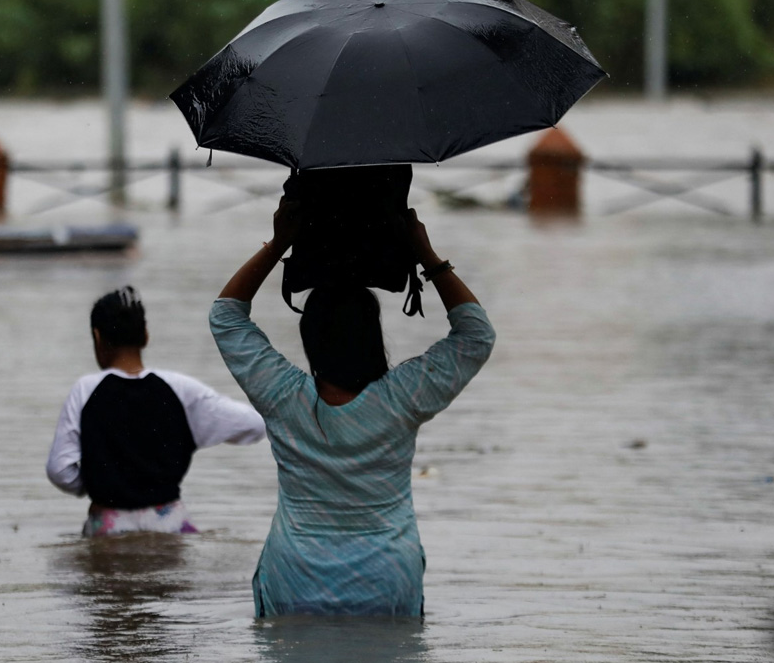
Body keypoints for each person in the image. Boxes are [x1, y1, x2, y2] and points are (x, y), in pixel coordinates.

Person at [209, 200, 495, 616]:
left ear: (310, 339)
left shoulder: (283, 395)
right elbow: (476, 335)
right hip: (387, 578)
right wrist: (427, 257)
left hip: (295, 576)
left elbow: (226, 317)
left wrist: (278, 244)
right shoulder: (404, 397)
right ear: (372, 337)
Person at [47, 286, 266, 537]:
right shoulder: (181, 389)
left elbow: (59, 469)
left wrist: (98, 483)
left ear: (97, 337)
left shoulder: (84, 390)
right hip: (168, 522)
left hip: (108, 524)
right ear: (146, 336)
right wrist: (197, 432)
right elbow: (254, 424)